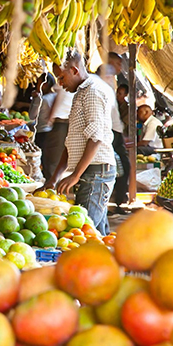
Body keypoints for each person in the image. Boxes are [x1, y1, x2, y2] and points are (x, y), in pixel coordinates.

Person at [44, 50, 116, 235]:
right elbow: (73, 142)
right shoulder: (80, 92)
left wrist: (75, 175)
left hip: (96, 172)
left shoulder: (93, 92)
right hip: (90, 172)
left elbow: (96, 137)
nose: (59, 83)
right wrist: (54, 179)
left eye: (61, 77)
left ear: (75, 70)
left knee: (82, 232)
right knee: (95, 233)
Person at [96, 65, 130, 207]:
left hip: (115, 132)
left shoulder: (108, 90)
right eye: (110, 76)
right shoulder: (99, 89)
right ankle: (114, 199)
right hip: (108, 132)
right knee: (114, 167)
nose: (113, 79)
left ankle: (119, 199)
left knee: (124, 167)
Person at [42, 78, 74, 182]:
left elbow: (59, 99)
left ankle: (51, 187)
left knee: (53, 158)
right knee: (56, 158)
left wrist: (50, 117)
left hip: (62, 122)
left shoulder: (67, 79)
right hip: (66, 122)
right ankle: (53, 184)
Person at [28, 73, 57, 153]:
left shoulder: (42, 99)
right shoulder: (56, 96)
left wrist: (35, 99)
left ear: (45, 84)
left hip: (41, 133)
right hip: (53, 133)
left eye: (38, 83)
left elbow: (31, 116)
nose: (36, 85)